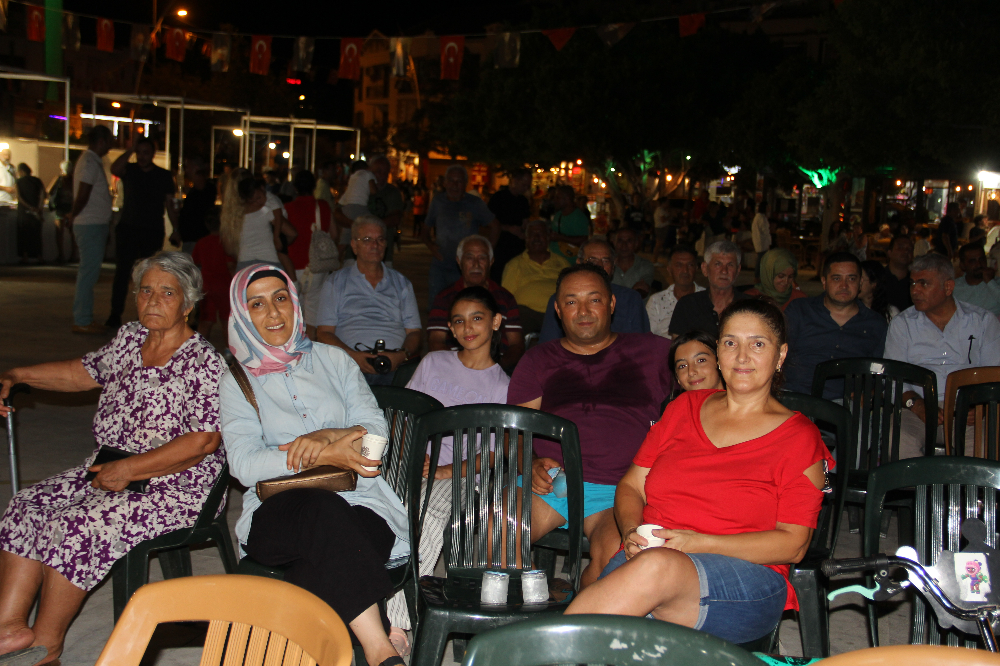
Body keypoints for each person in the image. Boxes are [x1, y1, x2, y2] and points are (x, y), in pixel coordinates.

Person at [0, 252, 226, 666]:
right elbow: (78, 373)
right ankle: (11, 628)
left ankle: (47, 649)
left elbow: (204, 441)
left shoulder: (202, 362)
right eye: (145, 290)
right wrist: (18, 375)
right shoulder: (129, 339)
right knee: (26, 505)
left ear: (188, 303)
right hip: (107, 467)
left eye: (167, 292)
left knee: (75, 525)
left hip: (175, 486)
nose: (153, 300)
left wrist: (130, 469)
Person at [564, 299, 832, 646]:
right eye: (730, 342)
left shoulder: (799, 438)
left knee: (650, 575)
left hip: (745, 581)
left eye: (758, 344)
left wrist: (696, 542)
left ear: (780, 356)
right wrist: (631, 530)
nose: (742, 356)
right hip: (648, 559)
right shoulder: (682, 409)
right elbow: (632, 485)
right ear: (719, 352)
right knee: (616, 618)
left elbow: (794, 545)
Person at [220, 264, 408, 666]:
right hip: (277, 512)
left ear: (295, 304)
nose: (273, 313)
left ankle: (298, 654)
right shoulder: (236, 380)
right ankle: (380, 648)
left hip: (362, 502)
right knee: (325, 512)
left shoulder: (334, 361)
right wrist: (326, 454)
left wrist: (324, 436)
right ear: (242, 313)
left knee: (335, 550)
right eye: (257, 304)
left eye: (281, 298)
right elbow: (245, 464)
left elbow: (375, 430)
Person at [507, 263, 674, 588]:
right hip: (551, 482)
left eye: (593, 299)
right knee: (495, 536)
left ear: (611, 304)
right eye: (571, 301)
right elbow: (515, 433)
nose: (583, 311)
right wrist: (528, 462)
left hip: (621, 489)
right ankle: (520, 623)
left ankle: (576, 614)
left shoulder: (654, 352)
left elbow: (705, 383)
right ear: (558, 309)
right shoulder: (538, 359)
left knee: (617, 566)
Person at [385, 286, 511, 644]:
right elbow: (403, 415)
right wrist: (408, 452)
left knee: (426, 511)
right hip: (412, 463)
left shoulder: (504, 386)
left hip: (462, 477)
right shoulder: (434, 363)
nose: (468, 327)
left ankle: (396, 622)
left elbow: (492, 454)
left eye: (477, 318)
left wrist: (442, 471)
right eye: (459, 320)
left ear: (496, 322)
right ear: (451, 329)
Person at [885, 252, 1000, 458]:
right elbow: (894, 379)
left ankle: (969, 490)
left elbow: (994, 374)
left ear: (948, 287)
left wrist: (980, 405)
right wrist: (916, 404)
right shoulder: (903, 324)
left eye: (923, 284)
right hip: (919, 408)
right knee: (898, 439)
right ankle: (914, 490)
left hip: (968, 408)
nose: (915, 291)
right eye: (912, 284)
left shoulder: (982, 321)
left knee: (983, 447)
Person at [317, 215, 421, 386]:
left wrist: (401, 355)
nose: (375, 245)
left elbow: (414, 332)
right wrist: (352, 356)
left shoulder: (402, 283)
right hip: (350, 363)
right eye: (367, 240)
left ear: (386, 244)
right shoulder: (336, 282)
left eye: (380, 239)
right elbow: (323, 332)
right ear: (354, 246)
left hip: (394, 362)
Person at [783, 252, 888, 398]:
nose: (844, 286)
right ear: (824, 281)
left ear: (860, 283)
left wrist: (869, 395)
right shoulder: (800, 311)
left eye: (851, 279)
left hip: (846, 406)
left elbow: (880, 375)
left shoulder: (875, 324)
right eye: (836, 278)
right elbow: (776, 355)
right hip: (796, 398)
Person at [105, 138, 178, 329]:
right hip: (128, 228)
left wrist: (176, 229)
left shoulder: (163, 175)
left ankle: (146, 316)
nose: (142, 157)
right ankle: (115, 313)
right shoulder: (130, 170)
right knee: (122, 273)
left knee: (148, 277)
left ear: (153, 154)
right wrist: (130, 150)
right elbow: (115, 169)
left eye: (146, 152)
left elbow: (170, 205)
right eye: (140, 152)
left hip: (151, 230)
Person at [427, 235, 524, 371]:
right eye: (469, 258)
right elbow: (436, 341)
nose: (476, 264)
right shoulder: (445, 298)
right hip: (454, 368)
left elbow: (516, 344)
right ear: (459, 261)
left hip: (498, 368)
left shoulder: (505, 298)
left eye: (482, 258)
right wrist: (462, 369)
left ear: (491, 262)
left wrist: (495, 369)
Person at [539, 239, 650, 342]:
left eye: (605, 261)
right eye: (592, 260)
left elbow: (641, 345)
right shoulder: (563, 299)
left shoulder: (630, 299)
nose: (599, 266)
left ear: (613, 266)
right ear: (579, 262)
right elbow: (548, 346)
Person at [422, 165, 499, 306]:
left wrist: (487, 253)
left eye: (459, 181)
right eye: (451, 180)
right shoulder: (438, 202)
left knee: (464, 306)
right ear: (445, 182)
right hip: (441, 265)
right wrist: (431, 246)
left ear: (465, 183)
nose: (454, 185)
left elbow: (495, 226)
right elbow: (425, 228)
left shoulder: (475, 203)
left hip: (466, 268)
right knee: (436, 306)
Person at [67, 126, 114, 335]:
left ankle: (84, 317)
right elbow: (83, 193)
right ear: (102, 141)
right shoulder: (89, 162)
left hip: (91, 223)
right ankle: (82, 319)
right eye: (110, 140)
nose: (111, 145)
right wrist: (73, 214)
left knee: (89, 273)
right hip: (90, 224)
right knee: (88, 273)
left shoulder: (90, 161)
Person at [283, 169, 334, 339]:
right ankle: (309, 352)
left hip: (293, 268)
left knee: (294, 316)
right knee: (312, 318)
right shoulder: (323, 207)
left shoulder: (287, 208)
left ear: (295, 188)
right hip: (317, 267)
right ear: (314, 186)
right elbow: (333, 234)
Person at [501, 219, 571, 334]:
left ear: (548, 238)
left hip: (557, 312)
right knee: (512, 328)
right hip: (526, 313)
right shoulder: (514, 264)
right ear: (526, 239)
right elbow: (506, 298)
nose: (537, 237)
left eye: (541, 234)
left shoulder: (563, 263)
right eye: (532, 234)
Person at [669, 240, 750, 339]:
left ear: (738, 271)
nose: (724, 271)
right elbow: (678, 350)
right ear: (705, 269)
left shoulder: (751, 307)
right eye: (718, 264)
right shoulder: (688, 305)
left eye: (730, 265)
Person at [229, 176, 298, 271]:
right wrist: (279, 243)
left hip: (244, 264)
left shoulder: (235, 215)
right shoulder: (267, 210)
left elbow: (231, 245)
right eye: (255, 200)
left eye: (259, 198)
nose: (258, 202)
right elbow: (292, 233)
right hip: (268, 261)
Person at [646, 246, 705, 338]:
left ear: (696, 268)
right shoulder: (656, 301)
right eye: (679, 265)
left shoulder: (707, 298)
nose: (685, 270)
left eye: (690, 265)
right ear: (669, 270)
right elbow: (648, 337)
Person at [191, 215, 233, 345]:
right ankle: (229, 354)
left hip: (207, 286)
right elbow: (230, 265)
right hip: (224, 286)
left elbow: (194, 262)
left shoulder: (202, 242)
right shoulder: (226, 242)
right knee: (227, 323)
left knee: (205, 321)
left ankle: (198, 353)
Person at [488, 168, 532, 282]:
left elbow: (525, 221)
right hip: (500, 246)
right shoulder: (498, 198)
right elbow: (488, 222)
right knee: (499, 277)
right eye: (524, 185)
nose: (526, 188)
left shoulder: (523, 201)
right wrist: (508, 228)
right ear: (515, 181)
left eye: (528, 185)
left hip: (518, 247)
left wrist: (525, 232)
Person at [367, 156, 404, 267]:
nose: (382, 176)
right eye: (378, 172)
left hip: (383, 256)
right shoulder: (361, 190)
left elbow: (395, 218)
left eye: (385, 173)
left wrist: (367, 226)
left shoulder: (393, 192)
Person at [172, 162, 217, 254]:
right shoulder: (197, 192)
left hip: (196, 239)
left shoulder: (204, 191)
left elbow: (195, 214)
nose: (186, 171)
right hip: (192, 238)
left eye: (188, 167)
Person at [668, 329, 723, 394]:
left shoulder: (737, 400)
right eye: (682, 366)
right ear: (677, 377)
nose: (691, 372)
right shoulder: (675, 404)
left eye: (701, 360)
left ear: (719, 361)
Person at [953, 243, 1000, 316]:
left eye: (982, 259)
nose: (979, 264)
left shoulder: (996, 284)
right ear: (962, 265)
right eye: (972, 261)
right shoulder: (954, 288)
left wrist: (990, 282)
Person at [612, 227, 655, 298]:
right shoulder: (606, 265)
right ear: (614, 242)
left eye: (629, 241)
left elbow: (642, 291)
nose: (624, 245)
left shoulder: (645, 265)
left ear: (636, 243)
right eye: (620, 241)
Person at [47, 160, 76, 264]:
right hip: (72, 208)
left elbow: (49, 191)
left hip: (60, 208)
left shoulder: (59, 179)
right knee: (73, 233)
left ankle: (61, 255)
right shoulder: (74, 180)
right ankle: (74, 255)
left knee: (59, 233)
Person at [549, 185, 590, 260]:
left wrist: (560, 237)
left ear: (567, 199)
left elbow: (583, 241)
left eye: (558, 198)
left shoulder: (579, 218)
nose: (554, 200)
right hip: (554, 260)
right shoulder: (558, 215)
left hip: (569, 261)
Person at [15, 163, 44, 264]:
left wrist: (29, 207)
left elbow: (19, 197)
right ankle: (39, 257)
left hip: (24, 212)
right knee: (36, 235)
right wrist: (38, 208)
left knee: (24, 234)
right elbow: (42, 194)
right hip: (36, 211)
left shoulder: (19, 182)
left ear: (21, 171)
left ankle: (25, 257)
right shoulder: (37, 180)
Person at [882, 235, 914, 312]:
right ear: (889, 253)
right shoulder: (878, 279)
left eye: (909, 249)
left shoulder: (915, 282)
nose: (906, 251)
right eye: (900, 248)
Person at [652, 198, 673, 263]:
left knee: (659, 244)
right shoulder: (660, 210)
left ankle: (656, 259)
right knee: (658, 244)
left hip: (663, 228)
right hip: (660, 229)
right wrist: (670, 216)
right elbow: (663, 220)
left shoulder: (663, 210)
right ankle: (654, 260)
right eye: (666, 202)